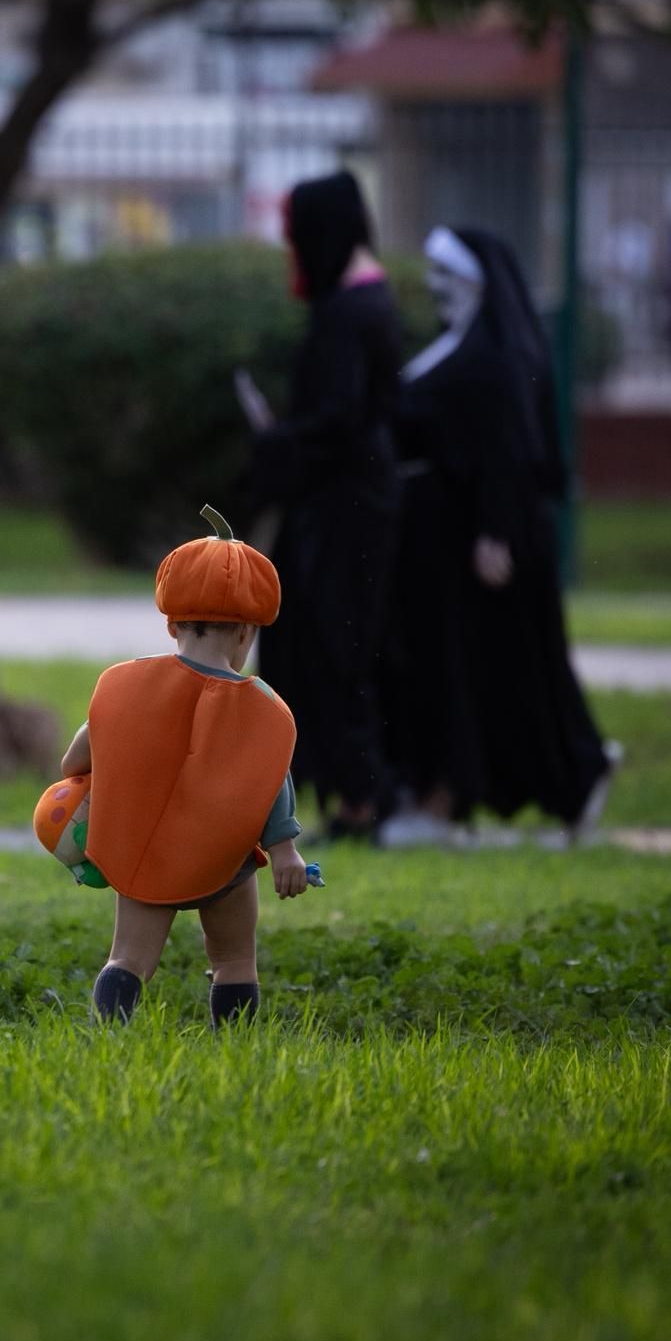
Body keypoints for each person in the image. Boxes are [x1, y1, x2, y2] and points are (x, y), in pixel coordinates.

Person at [383, 225, 618, 842]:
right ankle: (555, 776)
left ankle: (569, 772)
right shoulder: (463, 347)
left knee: (520, 671)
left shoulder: (497, 356)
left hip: (494, 546)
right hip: (456, 542)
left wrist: (495, 532)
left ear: (476, 281)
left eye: (446, 275)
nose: (435, 287)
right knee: (501, 673)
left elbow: (512, 451)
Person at [53, 506, 322, 1029]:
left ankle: (108, 1036)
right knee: (234, 959)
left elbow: (74, 761)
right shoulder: (262, 706)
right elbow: (272, 785)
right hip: (225, 862)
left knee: (128, 959)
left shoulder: (123, 685)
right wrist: (285, 850)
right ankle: (234, 1045)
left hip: (145, 858)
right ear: (246, 633)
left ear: (172, 623)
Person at [238, 170, 402, 840]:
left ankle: (358, 797)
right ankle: (345, 794)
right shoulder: (374, 301)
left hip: (342, 510)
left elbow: (337, 420)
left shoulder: (346, 313)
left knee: (332, 646)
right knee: (334, 642)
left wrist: (275, 440)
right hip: (359, 501)